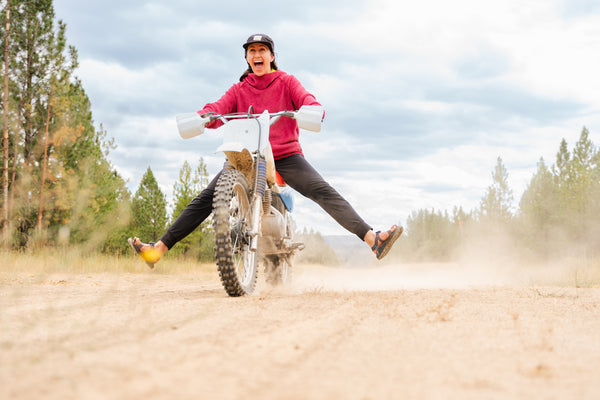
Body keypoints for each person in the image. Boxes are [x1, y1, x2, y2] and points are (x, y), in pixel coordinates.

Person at [129, 34, 402, 267]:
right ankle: (158, 251)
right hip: (246, 154)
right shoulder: (239, 89)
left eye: (262, 51)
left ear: (271, 56)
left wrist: (311, 108)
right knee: (206, 199)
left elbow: (306, 99)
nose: (257, 55)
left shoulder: (286, 82)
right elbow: (218, 107)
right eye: (252, 51)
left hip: (284, 154)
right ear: (247, 58)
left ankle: (372, 239)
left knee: (321, 190)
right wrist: (205, 116)